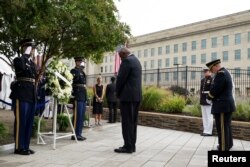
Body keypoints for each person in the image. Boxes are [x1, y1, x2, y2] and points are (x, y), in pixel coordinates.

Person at [9, 39, 37, 155]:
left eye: (32, 48)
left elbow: (34, 76)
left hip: (31, 94)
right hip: (21, 93)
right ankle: (19, 147)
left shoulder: (32, 63)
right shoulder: (19, 60)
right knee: (21, 121)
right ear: (24, 48)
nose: (32, 50)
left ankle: (26, 145)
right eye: (30, 47)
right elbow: (20, 69)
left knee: (29, 122)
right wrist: (25, 54)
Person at [114, 47, 142, 154]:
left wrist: (117, 93)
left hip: (127, 97)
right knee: (132, 123)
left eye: (120, 56)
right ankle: (131, 145)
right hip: (136, 97)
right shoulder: (136, 61)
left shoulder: (127, 61)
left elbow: (120, 79)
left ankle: (127, 146)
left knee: (126, 122)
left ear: (123, 54)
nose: (120, 59)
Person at [206, 59, 235, 151]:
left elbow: (216, 89)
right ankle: (228, 145)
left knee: (222, 128)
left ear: (215, 67)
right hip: (226, 105)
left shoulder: (220, 74)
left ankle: (223, 148)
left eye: (211, 69)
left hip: (222, 106)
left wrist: (209, 97)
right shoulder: (225, 72)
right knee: (227, 126)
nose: (211, 72)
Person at [70, 57, 87, 141]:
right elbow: (73, 81)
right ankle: (74, 134)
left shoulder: (82, 72)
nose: (80, 63)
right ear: (76, 62)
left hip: (83, 95)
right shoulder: (73, 71)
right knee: (77, 115)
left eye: (81, 61)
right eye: (78, 61)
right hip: (78, 94)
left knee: (81, 115)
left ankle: (79, 133)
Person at [200, 68, 213, 136]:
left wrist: (210, 99)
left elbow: (212, 91)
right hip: (203, 100)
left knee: (209, 116)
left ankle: (209, 131)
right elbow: (201, 90)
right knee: (204, 116)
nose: (205, 73)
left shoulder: (212, 79)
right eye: (204, 72)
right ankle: (205, 130)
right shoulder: (202, 80)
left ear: (210, 72)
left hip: (208, 99)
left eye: (206, 71)